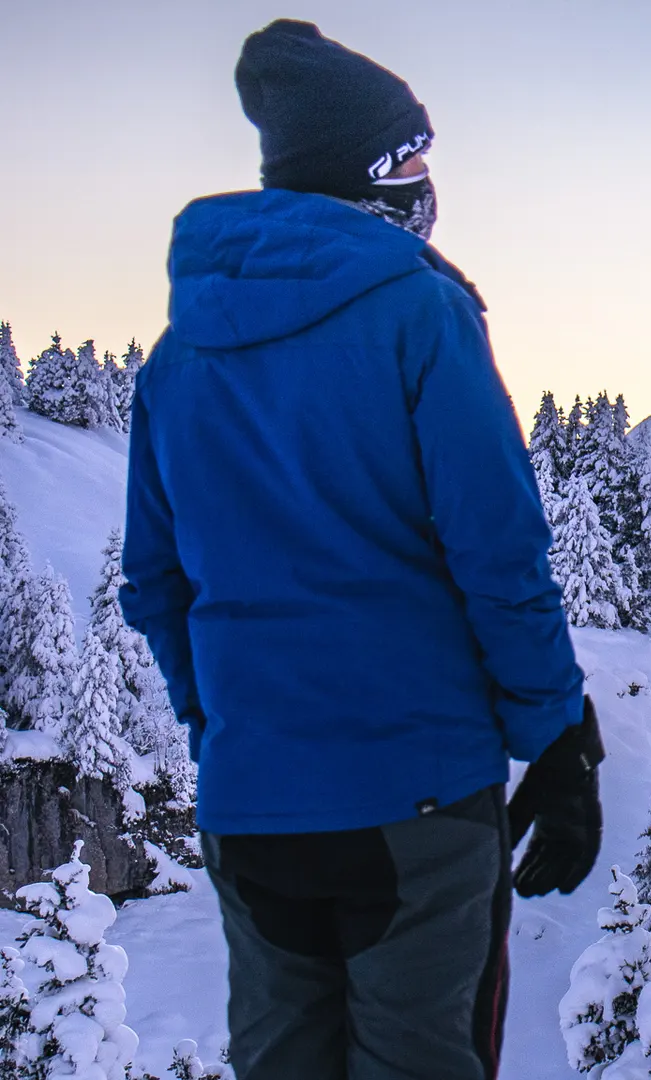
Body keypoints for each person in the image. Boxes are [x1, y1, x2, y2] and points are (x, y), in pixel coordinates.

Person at [119, 19, 603, 1079]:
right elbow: (499, 550)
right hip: (416, 800)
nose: (430, 184)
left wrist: (227, 727)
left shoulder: (180, 350)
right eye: (413, 159)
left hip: (254, 808)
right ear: (370, 173)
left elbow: (155, 582)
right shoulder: (419, 313)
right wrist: (556, 739)